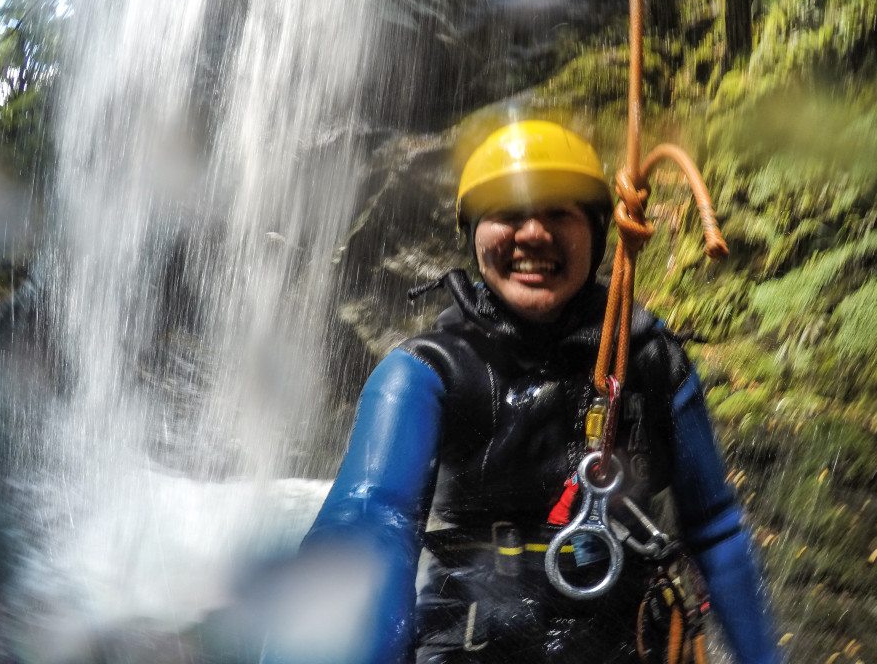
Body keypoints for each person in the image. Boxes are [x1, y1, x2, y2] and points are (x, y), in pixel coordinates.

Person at [263, 121, 779, 664]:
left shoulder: (649, 362)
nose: (533, 233)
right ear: (475, 233)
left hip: (627, 644)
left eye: (559, 213)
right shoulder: (424, 373)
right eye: (508, 213)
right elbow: (370, 521)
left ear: (597, 233)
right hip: (472, 646)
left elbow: (715, 530)